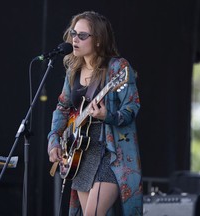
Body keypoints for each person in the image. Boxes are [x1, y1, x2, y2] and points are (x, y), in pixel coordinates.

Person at [47, 11, 143, 216]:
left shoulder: (118, 68)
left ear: (98, 40)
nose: (75, 39)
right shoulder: (73, 71)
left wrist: (107, 115)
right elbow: (62, 108)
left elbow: (132, 107)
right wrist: (54, 138)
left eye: (83, 35)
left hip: (110, 153)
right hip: (81, 154)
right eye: (74, 33)